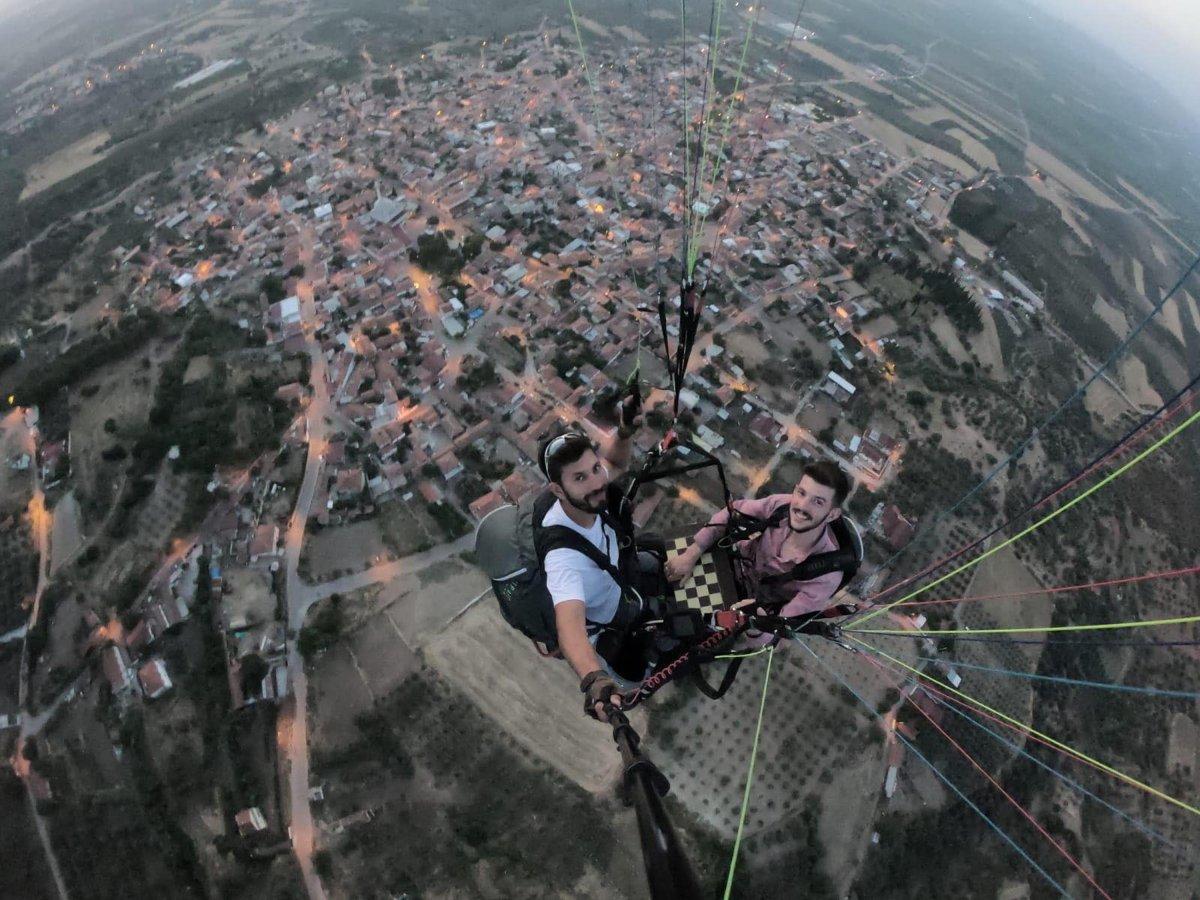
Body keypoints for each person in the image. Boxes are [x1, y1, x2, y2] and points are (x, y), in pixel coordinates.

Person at [537, 397, 662, 721]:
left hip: (620, 579)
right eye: (580, 478)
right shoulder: (562, 558)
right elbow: (570, 627)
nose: (597, 483)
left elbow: (615, 463)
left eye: (594, 470)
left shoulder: (589, 497)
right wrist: (595, 680)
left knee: (657, 558)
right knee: (635, 675)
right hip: (610, 619)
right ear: (558, 490)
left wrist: (624, 432)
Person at [664, 460, 856, 627]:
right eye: (801, 493)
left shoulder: (826, 576)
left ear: (832, 514)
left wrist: (757, 624)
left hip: (752, 609)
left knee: (679, 627)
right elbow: (735, 511)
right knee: (655, 564)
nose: (802, 506)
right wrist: (693, 552)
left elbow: (783, 625)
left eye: (818, 502)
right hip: (728, 567)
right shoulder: (781, 506)